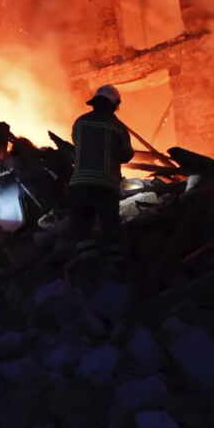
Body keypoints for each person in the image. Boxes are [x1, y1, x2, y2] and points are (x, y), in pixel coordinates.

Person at [67, 85, 134, 286]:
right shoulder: (118, 127)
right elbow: (126, 154)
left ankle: (88, 267)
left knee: (82, 225)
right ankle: (113, 271)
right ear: (115, 105)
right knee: (109, 226)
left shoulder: (80, 122)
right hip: (106, 184)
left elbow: (77, 143)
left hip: (79, 184)